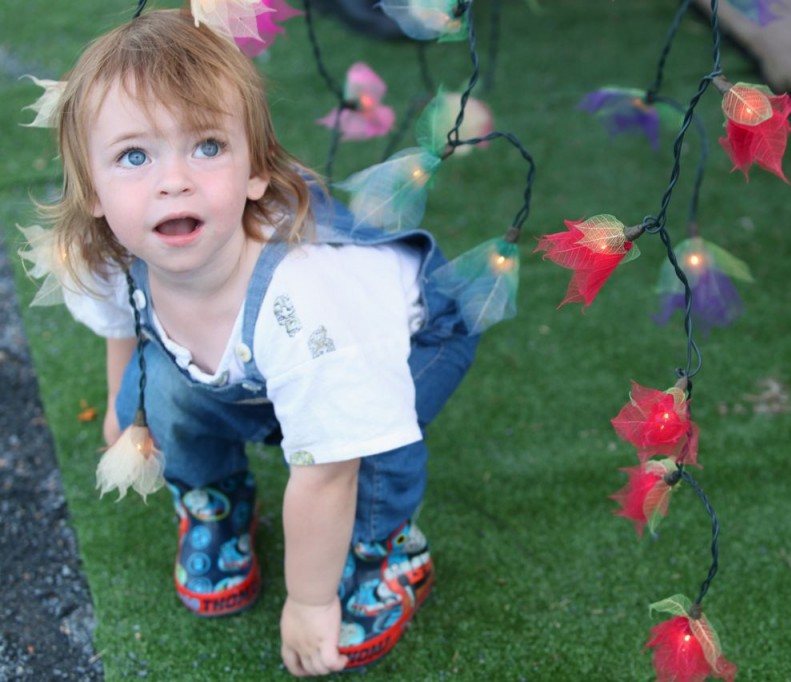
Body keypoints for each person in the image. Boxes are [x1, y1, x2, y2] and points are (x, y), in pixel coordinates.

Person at [28, 7, 476, 676]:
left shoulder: (310, 302)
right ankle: (218, 499)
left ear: (256, 172)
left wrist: (309, 600)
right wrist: (127, 415)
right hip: (265, 355)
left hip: (408, 338)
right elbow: (129, 330)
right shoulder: (103, 257)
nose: (172, 179)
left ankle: (384, 549)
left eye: (207, 146)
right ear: (91, 190)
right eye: (133, 155)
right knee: (170, 389)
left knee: (367, 442)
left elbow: (328, 472)